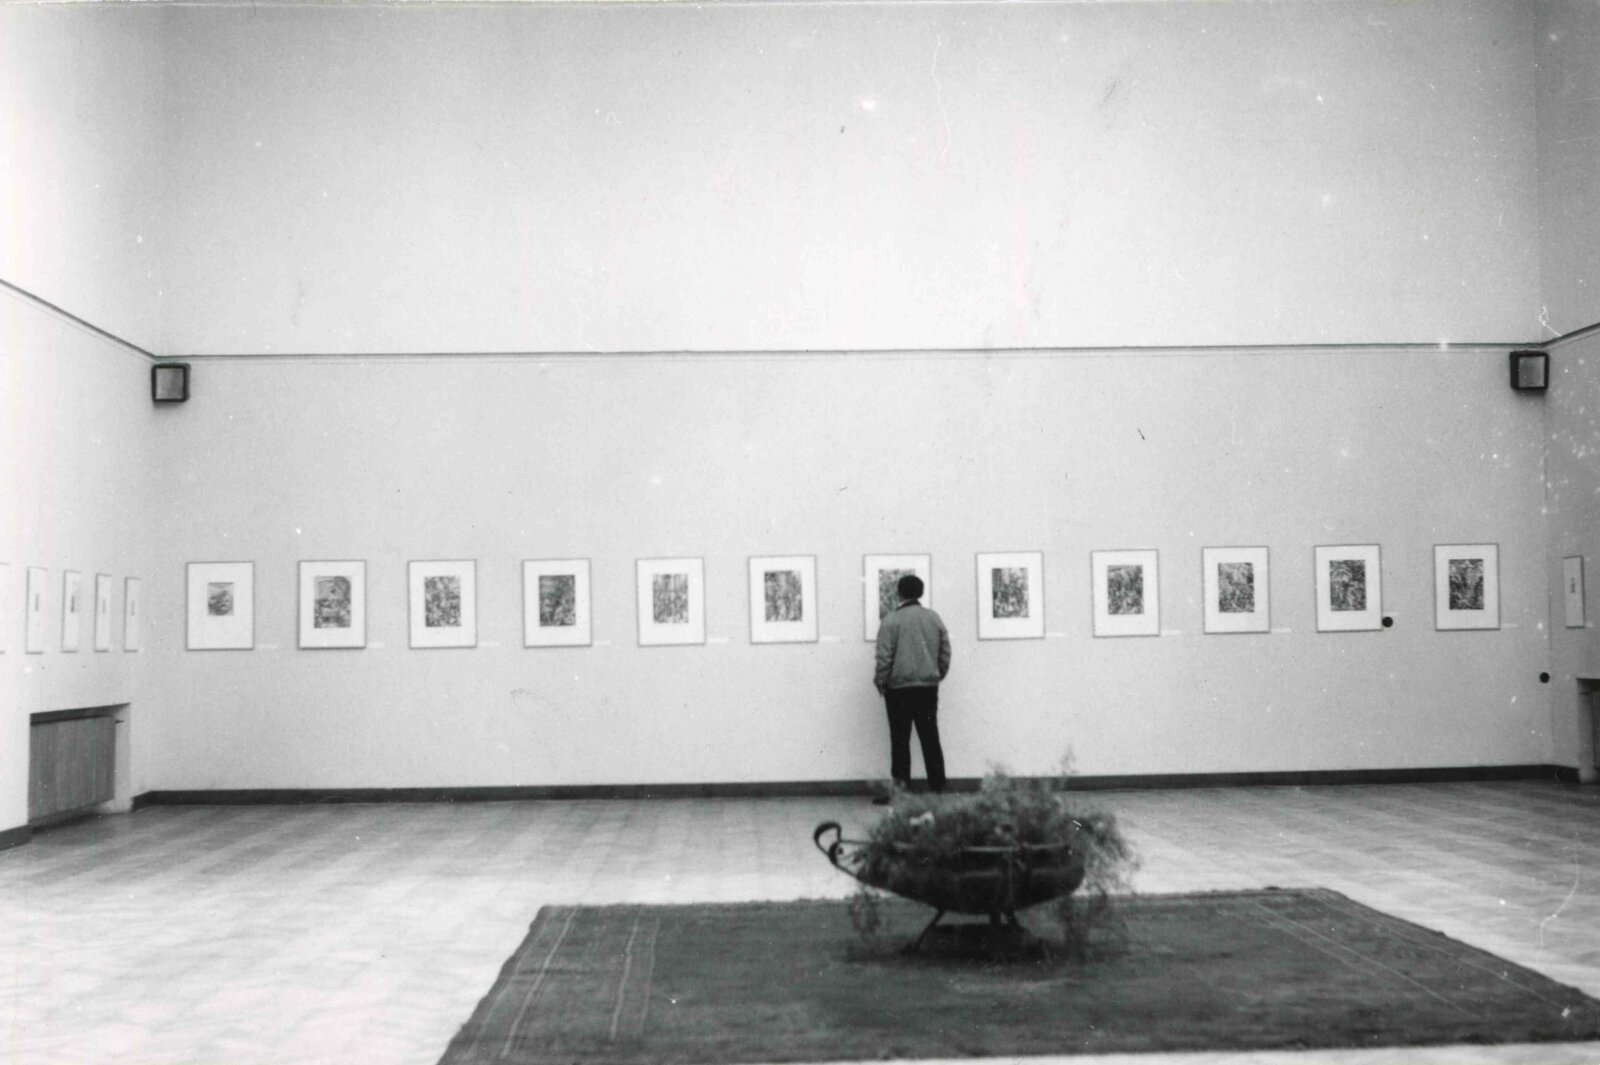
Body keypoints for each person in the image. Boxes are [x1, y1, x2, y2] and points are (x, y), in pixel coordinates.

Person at [872, 574, 951, 803]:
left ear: (899, 593)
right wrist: (937, 674)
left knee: (899, 740)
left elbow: (884, 657)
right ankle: (937, 789)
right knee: (930, 738)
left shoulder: (891, 621)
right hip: (927, 688)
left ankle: (901, 791)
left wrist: (881, 681)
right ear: (921, 592)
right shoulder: (934, 618)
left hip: (898, 689)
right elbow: (945, 652)